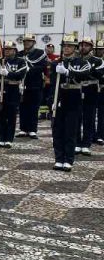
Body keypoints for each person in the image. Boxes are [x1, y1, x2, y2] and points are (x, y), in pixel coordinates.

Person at [51, 35, 91, 171]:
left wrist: (68, 72)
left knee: (70, 130)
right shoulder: (57, 63)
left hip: (73, 97)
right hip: (59, 97)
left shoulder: (82, 62)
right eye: (65, 46)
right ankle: (59, 158)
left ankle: (68, 159)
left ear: (75, 48)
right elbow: (53, 84)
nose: (66, 48)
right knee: (57, 130)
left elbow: (84, 75)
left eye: (69, 46)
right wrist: (52, 101)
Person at [0, 41, 27, 148]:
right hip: (0, 88)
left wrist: (8, 74)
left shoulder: (20, 61)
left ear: (15, 51)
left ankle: (9, 138)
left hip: (13, 89)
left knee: (11, 115)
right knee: (0, 115)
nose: (7, 51)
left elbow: (21, 74)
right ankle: (1, 138)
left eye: (10, 49)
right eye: (6, 49)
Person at [76, 37, 103, 155]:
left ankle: (86, 143)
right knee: (76, 118)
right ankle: (77, 142)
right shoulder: (75, 60)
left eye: (86, 45)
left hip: (91, 90)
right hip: (76, 90)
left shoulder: (98, 61)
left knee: (89, 118)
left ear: (91, 47)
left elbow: (99, 74)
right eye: (82, 45)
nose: (83, 47)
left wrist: (85, 72)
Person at [17, 33, 47, 138]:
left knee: (33, 108)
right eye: (25, 41)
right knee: (22, 107)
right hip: (22, 84)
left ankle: (32, 129)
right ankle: (23, 128)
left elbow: (43, 66)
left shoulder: (39, 53)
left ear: (33, 42)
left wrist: (31, 69)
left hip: (35, 83)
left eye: (29, 41)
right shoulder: (19, 54)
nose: (27, 43)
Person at [39, 43, 58, 120]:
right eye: (48, 48)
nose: (49, 50)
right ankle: (43, 113)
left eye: (51, 48)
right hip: (44, 81)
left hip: (53, 81)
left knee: (51, 98)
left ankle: (50, 112)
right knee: (43, 98)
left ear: (53, 49)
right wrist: (44, 78)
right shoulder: (42, 57)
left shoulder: (57, 57)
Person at [95, 39, 104, 146]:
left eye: (101, 49)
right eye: (97, 49)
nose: (99, 51)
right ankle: (92, 134)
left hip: (102, 89)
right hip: (93, 88)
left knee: (102, 114)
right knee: (91, 114)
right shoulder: (93, 60)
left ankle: (100, 135)